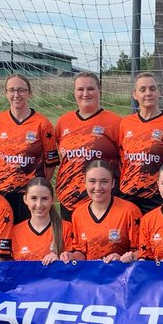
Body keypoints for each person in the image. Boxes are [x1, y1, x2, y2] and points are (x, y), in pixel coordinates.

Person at [54, 72, 122, 220]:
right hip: (69, 199)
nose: (85, 93)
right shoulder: (63, 122)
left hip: (102, 199)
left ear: (100, 90)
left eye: (90, 89)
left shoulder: (116, 122)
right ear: (74, 92)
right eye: (80, 89)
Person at [0, 73, 58, 221]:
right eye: (11, 90)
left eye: (21, 90)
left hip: (30, 195)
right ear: (6, 93)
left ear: (29, 93)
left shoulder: (42, 124)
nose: (16, 95)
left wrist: (39, 186)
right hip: (3, 191)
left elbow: (51, 163)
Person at [118, 72, 163, 213]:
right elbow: (122, 159)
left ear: (158, 92)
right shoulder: (125, 124)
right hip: (128, 194)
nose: (148, 93)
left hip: (157, 196)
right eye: (142, 90)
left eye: (152, 89)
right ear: (134, 94)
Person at [59, 160, 142, 262]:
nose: (98, 187)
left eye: (104, 181)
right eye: (92, 181)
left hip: (121, 275)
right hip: (91, 276)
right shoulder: (78, 214)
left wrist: (123, 258)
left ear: (113, 183)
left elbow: (142, 252)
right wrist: (71, 257)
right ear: (84, 183)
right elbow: (80, 251)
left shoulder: (130, 211)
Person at [11, 177, 62, 264]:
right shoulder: (15, 231)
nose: (39, 205)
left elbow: (74, 265)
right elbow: (8, 268)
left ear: (52, 200)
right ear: (25, 199)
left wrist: (61, 260)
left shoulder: (65, 228)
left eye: (44, 199)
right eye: (34, 198)